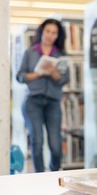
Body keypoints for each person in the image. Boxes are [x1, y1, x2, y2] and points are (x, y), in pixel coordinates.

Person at [16, 18, 70, 173]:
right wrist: (38, 73)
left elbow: (64, 80)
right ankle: (39, 177)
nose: (50, 35)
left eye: (54, 33)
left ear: (57, 36)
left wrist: (53, 73)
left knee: (55, 144)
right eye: (48, 31)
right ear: (42, 32)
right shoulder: (30, 52)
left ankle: (54, 174)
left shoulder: (60, 55)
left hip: (53, 102)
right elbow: (20, 76)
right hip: (33, 102)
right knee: (37, 141)